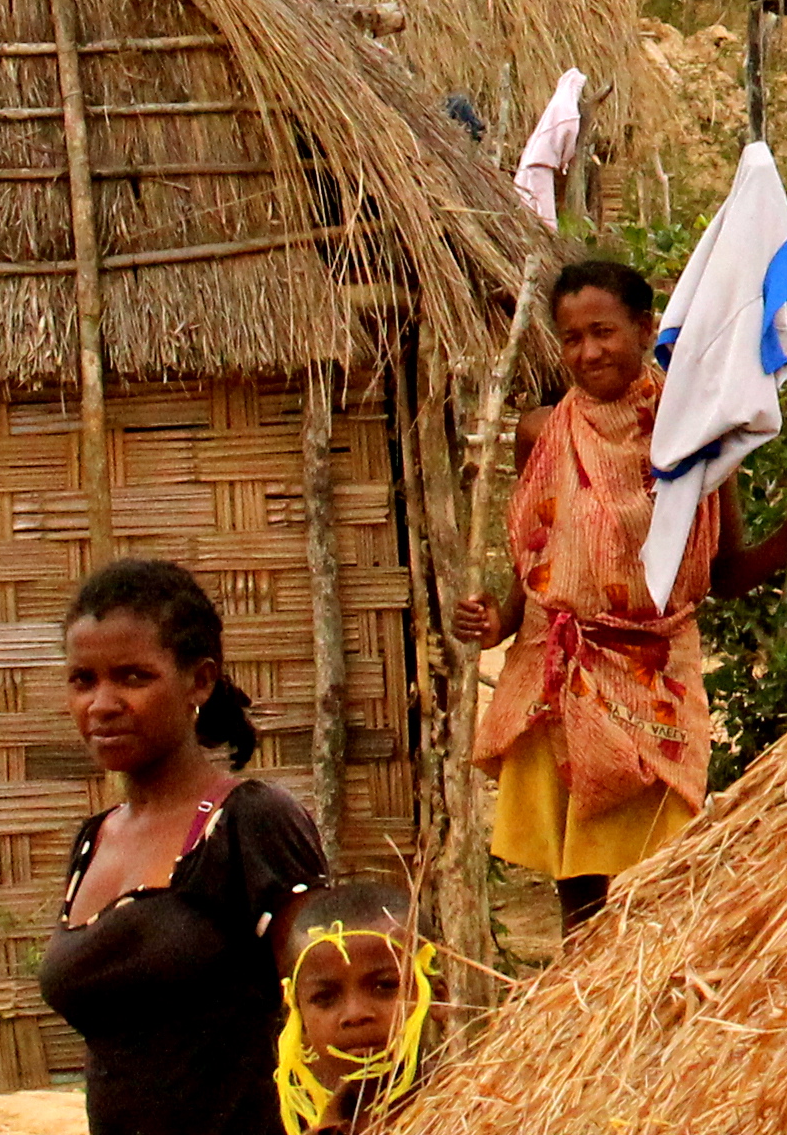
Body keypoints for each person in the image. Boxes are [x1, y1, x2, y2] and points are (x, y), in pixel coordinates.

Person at [461, 255, 729, 935]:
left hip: (654, 680)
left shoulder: (694, 436)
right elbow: (540, 562)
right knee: (578, 890)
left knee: (665, 879)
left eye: (603, 332)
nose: (588, 352)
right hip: (559, 674)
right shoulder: (542, 433)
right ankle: (579, 1019)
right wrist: (497, 618)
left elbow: (724, 573)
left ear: (644, 328)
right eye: (572, 338)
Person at [44, 557, 334, 1135]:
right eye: (83, 680)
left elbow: (333, 1000)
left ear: (199, 680)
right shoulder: (93, 840)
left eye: (133, 677)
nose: (102, 704)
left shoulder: (248, 823)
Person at [271, 880, 436, 1134]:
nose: (355, 1014)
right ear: (299, 1018)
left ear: (438, 996)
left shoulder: (484, 1111)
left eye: (384, 986)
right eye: (325, 998)